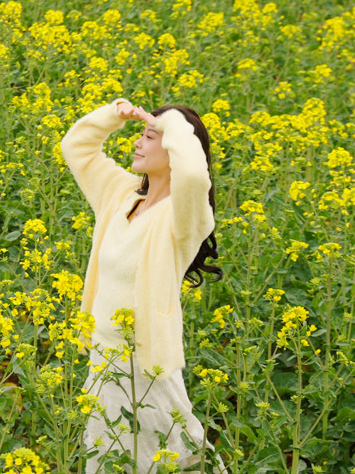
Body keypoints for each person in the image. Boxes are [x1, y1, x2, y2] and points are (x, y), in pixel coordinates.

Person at [60, 97, 229, 474]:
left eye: (150, 136)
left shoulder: (184, 218)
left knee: (177, 456)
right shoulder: (120, 196)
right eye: (142, 133)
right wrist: (112, 115)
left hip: (144, 365)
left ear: (173, 148)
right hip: (103, 358)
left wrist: (169, 122)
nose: (138, 142)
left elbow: (194, 176)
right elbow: (77, 147)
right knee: (107, 457)